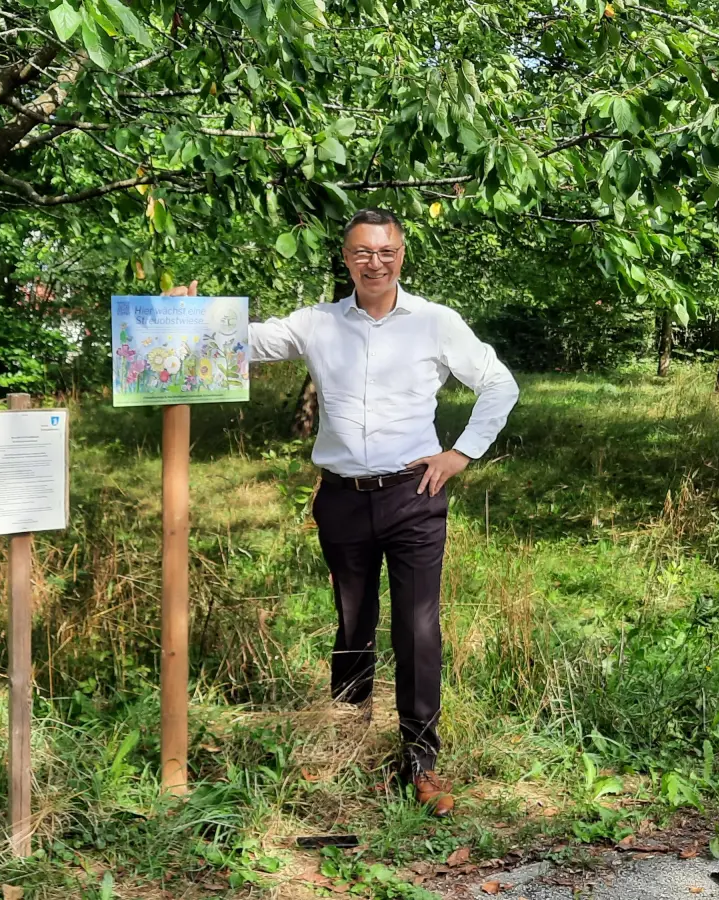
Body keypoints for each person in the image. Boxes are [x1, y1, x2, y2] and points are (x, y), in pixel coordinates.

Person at [168, 208, 519, 816]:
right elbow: (248, 341)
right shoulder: (319, 323)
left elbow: (499, 384)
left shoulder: (436, 323)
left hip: (414, 495)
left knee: (417, 628)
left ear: (401, 255)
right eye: (362, 252)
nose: (374, 262)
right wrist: (187, 314)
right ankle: (347, 739)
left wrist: (460, 453)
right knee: (352, 620)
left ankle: (420, 760)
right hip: (341, 498)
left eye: (385, 252)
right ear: (346, 258)